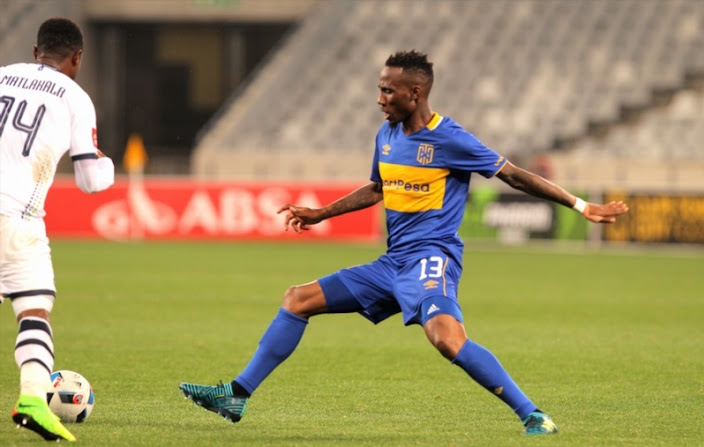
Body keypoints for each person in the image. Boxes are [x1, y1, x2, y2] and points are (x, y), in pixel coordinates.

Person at [179, 50, 628, 435]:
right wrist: (321, 213)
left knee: (446, 339)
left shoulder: (450, 139)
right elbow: (378, 188)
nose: (380, 100)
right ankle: (237, 395)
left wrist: (580, 205)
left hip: (432, 259)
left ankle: (532, 414)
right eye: (379, 89)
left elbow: (511, 173)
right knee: (297, 299)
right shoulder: (387, 136)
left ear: (415, 93)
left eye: (388, 92)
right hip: (391, 263)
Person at [0, 17, 115, 442]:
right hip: (16, 215)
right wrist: (107, 164)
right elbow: (89, 180)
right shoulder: (75, 97)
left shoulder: (2, 76)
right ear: (77, 58)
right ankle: (32, 400)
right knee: (34, 306)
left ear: (35, 52)